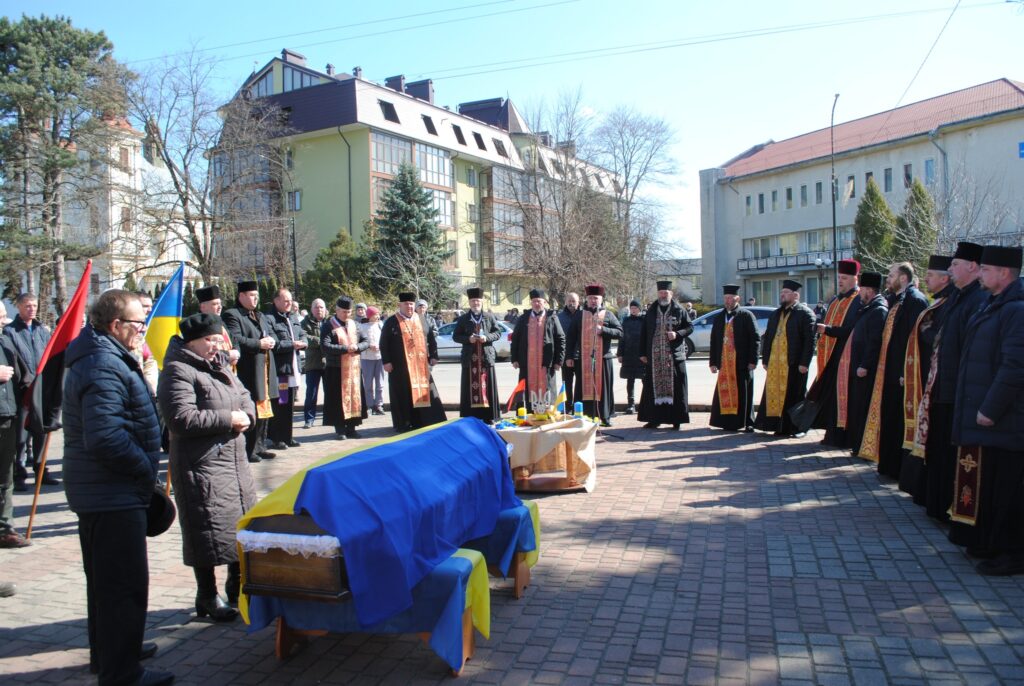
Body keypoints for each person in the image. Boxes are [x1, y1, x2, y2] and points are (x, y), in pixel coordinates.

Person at [63, 290, 172, 686]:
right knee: (123, 586)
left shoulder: (104, 355)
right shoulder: (103, 363)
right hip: (111, 492)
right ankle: (121, 672)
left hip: (104, 490)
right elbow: (106, 437)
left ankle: (111, 652)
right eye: (138, 323)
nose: (143, 329)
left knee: (107, 584)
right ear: (115, 326)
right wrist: (145, 470)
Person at [158, 313, 256, 622]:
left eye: (219, 340)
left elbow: (244, 397)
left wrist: (247, 416)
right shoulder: (177, 370)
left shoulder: (220, 364)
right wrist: (229, 419)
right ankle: (207, 595)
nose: (218, 346)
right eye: (211, 340)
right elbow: (181, 417)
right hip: (200, 465)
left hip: (233, 463)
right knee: (206, 531)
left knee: (238, 527)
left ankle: (236, 587)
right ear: (192, 342)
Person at [948, 245, 1024, 575]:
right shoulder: (995, 305)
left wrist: (990, 408)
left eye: (987, 270)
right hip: (989, 420)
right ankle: (991, 543)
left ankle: (1013, 553)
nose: (981, 274)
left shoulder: (1017, 310)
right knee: (992, 487)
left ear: (1004, 273)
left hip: (1007, 421)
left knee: (1009, 490)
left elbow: (1015, 366)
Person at [923, 242, 988, 522]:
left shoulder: (977, 299)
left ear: (971, 267)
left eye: (955, 265)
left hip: (959, 392)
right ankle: (938, 506)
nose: (950, 270)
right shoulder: (959, 297)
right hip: (944, 388)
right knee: (939, 453)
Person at [857, 263, 929, 477]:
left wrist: (903, 372)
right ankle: (888, 466)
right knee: (889, 419)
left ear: (904, 278)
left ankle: (898, 469)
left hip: (901, 374)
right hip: (888, 372)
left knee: (899, 422)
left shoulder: (914, 300)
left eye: (891, 275)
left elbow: (912, 340)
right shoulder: (896, 299)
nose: (887, 279)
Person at [899, 255, 955, 501]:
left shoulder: (946, 303)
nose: (926, 278)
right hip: (931, 379)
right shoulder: (940, 302)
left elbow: (941, 339)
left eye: (931, 275)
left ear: (945, 278)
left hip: (942, 384)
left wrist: (925, 331)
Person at [804, 259, 863, 446]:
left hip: (846, 357)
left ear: (855, 278)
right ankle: (831, 434)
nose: (840, 281)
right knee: (829, 398)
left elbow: (850, 329)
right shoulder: (836, 299)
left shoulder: (858, 300)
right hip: (830, 357)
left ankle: (841, 436)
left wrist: (827, 329)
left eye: (844, 278)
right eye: (839, 278)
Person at [4, 293, 57, 490]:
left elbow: (49, 355)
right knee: (20, 437)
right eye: (27, 305)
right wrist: (25, 379)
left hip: (42, 388)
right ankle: (19, 471)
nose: (32, 309)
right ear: (18, 307)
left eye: (34, 305)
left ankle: (41, 470)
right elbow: (13, 359)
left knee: (41, 432)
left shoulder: (42, 330)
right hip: (22, 390)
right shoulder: (10, 332)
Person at [221, 281, 278, 463]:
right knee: (252, 406)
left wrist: (272, 340)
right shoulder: (233, 315)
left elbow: (270, 333)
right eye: (252, 295)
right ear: (242, 296)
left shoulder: (260, 315)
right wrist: (259, 344)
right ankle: (249, 448)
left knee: (265, 407)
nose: (256, 299)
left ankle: (261, 445)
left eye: (257, 295)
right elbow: (236, 338)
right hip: (250, 369)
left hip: (266, 367)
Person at [755, 280, 815, 437]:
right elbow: (768, 337)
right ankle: (776, 425)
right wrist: (765, 359)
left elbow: (810, 341)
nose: (782, 295)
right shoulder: (776, 314)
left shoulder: (805, 313)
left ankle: (796, 428)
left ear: (796, 295)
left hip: (794, 364)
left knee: (795, 395)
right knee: (774, 394)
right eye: (782, 292)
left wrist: (804, 362)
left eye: (786, 292)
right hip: (775, 364)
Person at [380, 292, 446, 432]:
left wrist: (434, 355)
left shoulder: (421, 319)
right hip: (400, 367)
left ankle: (427, 420)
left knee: (426, 392)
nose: (409, 306)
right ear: (400, 305)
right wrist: (386, 362)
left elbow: (431, 339)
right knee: (403, 394)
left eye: (411, 304)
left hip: (421, 366)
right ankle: (404, 422)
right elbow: (384, 343)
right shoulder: (391, 321)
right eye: (406, 304)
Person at [838, 272, 888, 455]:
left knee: (862, 408)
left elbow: (874, 342)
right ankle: (857, 444)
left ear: (869, 290)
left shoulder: (879, 310)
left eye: (862, 291)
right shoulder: (868, 308)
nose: (860, 294)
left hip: (865, 370)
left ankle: (862, 446)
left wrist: (865, 365)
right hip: (858, 367)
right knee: (857, 408)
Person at [637, 281, 693, 430]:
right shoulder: (651, 310)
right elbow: (644, 332)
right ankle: (654, 419)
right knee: (652, 388)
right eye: (661, 293)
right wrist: (642, 352)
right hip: (654, 358)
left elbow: (690, 327)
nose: (663, 295)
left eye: (665, 293)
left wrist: (678, 333)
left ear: (671, 294)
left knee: (677, 388)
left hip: (674, 357)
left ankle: (677, 420)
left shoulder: (679, 310)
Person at [566, 284, 622, 426]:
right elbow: (571, 337)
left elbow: (620, 332)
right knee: (583, 388)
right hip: (584, 359)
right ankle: (584, 416)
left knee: (602, 389)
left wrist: (603, 330)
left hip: (603, 359)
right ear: (587, 299)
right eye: (590, 298)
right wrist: (569, 357)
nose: (593, 301)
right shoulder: (580, 315)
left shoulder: (608, 314)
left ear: (601, 299)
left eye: (595, 298)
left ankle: (604, 417)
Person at [708, 284, 759, 432]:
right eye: (725, 298)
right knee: (724, 391)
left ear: (738, 298)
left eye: (730, 297)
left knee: (744, 392)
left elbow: (755, 339)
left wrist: (753, 360)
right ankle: (727, 421)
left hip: (741, 361)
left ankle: (747, 422)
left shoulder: (746, 315)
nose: (728, 300)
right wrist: (713, 362)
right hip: (724, 363)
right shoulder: (719, 317)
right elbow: (714, 341)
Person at [509, 289, 566, 412]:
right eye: (534, 301)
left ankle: (548, 416)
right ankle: (530, 416)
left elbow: (561, 339)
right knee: (527, 391)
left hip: (547, 363)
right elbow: (515, 339)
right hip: (527, 364)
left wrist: (559, 361)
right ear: (531, 303)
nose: (536, 304)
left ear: (544, 302)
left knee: (548, 391)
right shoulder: (524, 318)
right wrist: (514, 359)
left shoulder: (552, 317)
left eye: (539, 301)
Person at [453, 287, 503, 423]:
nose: (476, 303)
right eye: (473, 301)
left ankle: (489, 416)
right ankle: (471, 417)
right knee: (470, 389)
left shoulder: (489, 317)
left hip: (486, 358)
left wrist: (486, 338)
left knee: (487, 387)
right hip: (470, 360)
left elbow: (498, 333)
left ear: (482, 302)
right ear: (469, 302)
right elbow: (456, 336)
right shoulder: (463, 319)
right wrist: (468, 339)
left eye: (478, 301)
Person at [265, 289, 307, 451]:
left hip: (294, 368)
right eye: (285, 300)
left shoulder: (293, 317)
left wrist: (303, 341)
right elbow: (274, 343)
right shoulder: (269, 319)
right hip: (282, 371)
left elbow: (302, 333)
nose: (289, 303)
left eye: (290, 300)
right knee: (280, 404)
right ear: (276, 301)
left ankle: (288, 436)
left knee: (289, 405)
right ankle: (277, 438)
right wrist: (293, 344)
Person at [321, 297, 369, 439]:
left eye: (348, 312)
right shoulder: (329, 325)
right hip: (336, 368)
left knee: (355, 397)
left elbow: (366, 341)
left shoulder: (355, 324)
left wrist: (358, 347)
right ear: (336, 310)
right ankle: (340, 428)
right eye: (343, 311)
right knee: (337, 400)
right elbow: (325, 345)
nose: (346, 314)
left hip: (353, 369)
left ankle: (352, 427)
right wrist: (345, 349)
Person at [0, 324, 29, 548]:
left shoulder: (5, 341)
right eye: (0, 317)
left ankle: (5, 528)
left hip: (7, 415)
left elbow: (23, 375)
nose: (3, 322)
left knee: (5, 478)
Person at [299, 299, 326, 428]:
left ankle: (329, 418)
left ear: (325, 309)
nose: (319, 309)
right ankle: (309, 419)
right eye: (316, 307)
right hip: (312, 363)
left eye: (321, 307)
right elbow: (306, 339)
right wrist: (324, 341)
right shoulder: (304, 323)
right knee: (311, 393)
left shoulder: (330, 322)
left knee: (331, 392)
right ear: (311, 309)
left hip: (329, 363)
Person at [196, 286, 240, 367]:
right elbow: (205, 351)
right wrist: (228, 355)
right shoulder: (198, 326)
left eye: (220, 303)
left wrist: (236, 353)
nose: (220, 307)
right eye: (215, 304)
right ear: (203, 307)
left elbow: (234, 340)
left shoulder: (221, 322)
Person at [617, 300, 646, 414]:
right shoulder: (626, 321)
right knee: (630, 380)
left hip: (641, 355)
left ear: (639, 309)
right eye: (632, 308)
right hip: (628, 355)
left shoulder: (644, 320)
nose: (634, 310)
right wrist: (620, 354)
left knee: (645, 380)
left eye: (636, 308)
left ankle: (645, 404)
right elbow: (621, 338)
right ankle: (631, 404)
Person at [359, 306, 385, 415]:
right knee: (368, 383)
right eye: (375, 314)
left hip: (379, 357)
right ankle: (369, 405)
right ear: (370, 315)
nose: (378, 316)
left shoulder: (381, 325)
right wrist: (369, 346)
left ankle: (379, 405)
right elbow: (359, 342)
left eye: (378, 314)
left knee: (380, 383)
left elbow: (385, 339)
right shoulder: (362, 327)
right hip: (366, 358)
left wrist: (380, 346)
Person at [557, 292, 580, 410]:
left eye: (574, 301)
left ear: (578, 302)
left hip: (581, 356)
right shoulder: (559, 317)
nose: (571, 303)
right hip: (566, 356)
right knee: (567, 383)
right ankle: (567, 406)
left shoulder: (583, 315)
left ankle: (578, 406)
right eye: (569, 301)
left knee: (580, 384)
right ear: (565, 302)